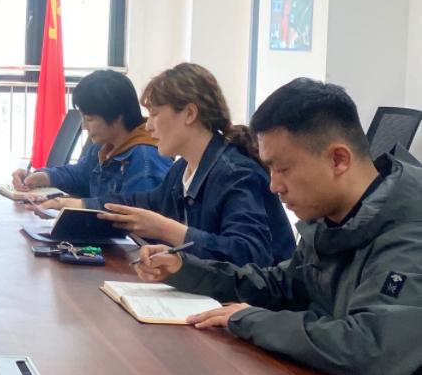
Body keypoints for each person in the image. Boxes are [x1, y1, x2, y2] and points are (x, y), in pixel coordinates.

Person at [135, 78, 421, 375]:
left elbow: (371, 352)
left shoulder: (409, 231)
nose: (273, 185)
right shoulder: (332, 217)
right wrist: (186, 269)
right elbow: (282, 285)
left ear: (339, 159)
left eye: (283, 169)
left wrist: (251, 320)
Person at [51, 63, 295, 267]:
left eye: (155, 114)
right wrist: (79, 206)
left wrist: (167, 230)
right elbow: (143, 202)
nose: (148, 126)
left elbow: (250, 254)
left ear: (189, 114)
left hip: (251, 305)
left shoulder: (236, 174)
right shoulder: (183, 169)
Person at [10, 70, 172, 203]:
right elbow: (80, 174)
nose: (84, 126)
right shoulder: (105, 146)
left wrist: (77, 206)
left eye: (89, 119)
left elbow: (134, 217)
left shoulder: (145, 160)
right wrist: (43, 176)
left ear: (117, 117)